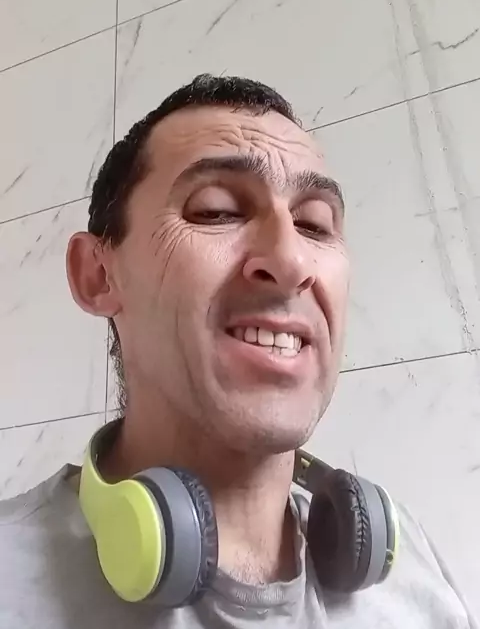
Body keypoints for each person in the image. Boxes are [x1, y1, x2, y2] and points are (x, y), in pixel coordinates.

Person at [0, 74, 476, 628]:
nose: (292, 261)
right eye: (216, 211)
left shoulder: (417, 580)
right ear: (98, 275)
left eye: (314, 224)